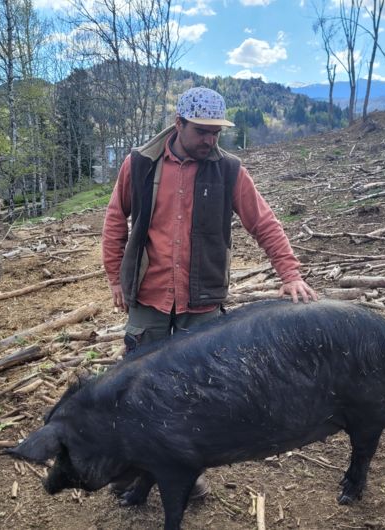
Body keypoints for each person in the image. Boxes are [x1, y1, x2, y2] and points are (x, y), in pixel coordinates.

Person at [100, 86, 318, 499]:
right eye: (202, 131)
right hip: (149, 298)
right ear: (179, 124)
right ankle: (131, 467)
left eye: (216, 132)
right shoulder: (139, 165)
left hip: (202, 302)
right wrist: (116, 278)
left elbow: (264, 222)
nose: (210, 140)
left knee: (197, 394)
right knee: (135, 387)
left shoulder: (230, 170)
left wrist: (289, 272)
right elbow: (115, 222)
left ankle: (187, 471)